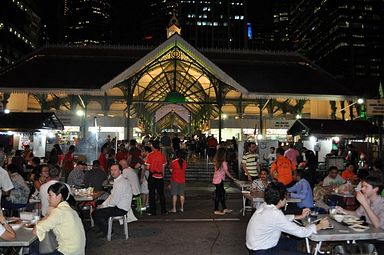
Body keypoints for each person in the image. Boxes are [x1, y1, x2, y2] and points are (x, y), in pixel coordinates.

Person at [246, 182, 330, 255]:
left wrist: (299, 216)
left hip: (256, 248)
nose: (286, 199)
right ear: (280, 200)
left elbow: (279, 220)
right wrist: (319, 226)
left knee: (291, 243)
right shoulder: (275, 214)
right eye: (285, 197)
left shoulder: (265, 206)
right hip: (263, 252)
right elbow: (301, 232)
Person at [33, 182, 86, 255]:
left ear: (59, 196)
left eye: (50, 195)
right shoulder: (69, 209)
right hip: (78, 251)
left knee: (33, 247)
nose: (48, 198)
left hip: (67, 252)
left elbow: (35, 231)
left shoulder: (58, 212)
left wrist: (47, 215)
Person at [335, 175, 384, 253]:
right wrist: (343, 210)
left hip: (380, 241)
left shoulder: (382, 204)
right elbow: (357, 214)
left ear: (376, 189)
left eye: (366, 186)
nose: (362, 189)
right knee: (343, 245)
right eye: (362, 186)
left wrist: (365, 204)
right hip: (368, 235)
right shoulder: (367, 200)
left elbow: (378, 225)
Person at [92, 163, 132, 236]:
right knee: (98, 203)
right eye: (111, 170)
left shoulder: (121, 183)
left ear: (120, 171)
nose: (113, 172)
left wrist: (103, 206)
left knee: (95, 213)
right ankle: (103, 227)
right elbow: (111, 196)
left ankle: (109, 232)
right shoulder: (117, 180)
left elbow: (114, 201)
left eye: (115, 170)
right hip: (117, 205)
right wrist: (103, 204)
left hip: (120, 208)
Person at [212, 147, 237, 215]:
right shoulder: (223, 163)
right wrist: (233, 178)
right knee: (218, 195)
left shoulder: (217, 161)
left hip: (217, 180)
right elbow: (227, 172)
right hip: (219, 180)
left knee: (222, 194)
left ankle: (224, 208)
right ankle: (216, 210)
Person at [146, 140, 167, 215]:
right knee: (161, 194)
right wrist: (162, 176)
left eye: (151, 145)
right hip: (160, 176)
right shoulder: (162, 155)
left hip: (152, 176)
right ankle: (163, 210)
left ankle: (153, 211)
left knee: (152, 194)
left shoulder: (150, 155)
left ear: (153, 146)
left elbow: (148, 167)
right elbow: (163, 167)